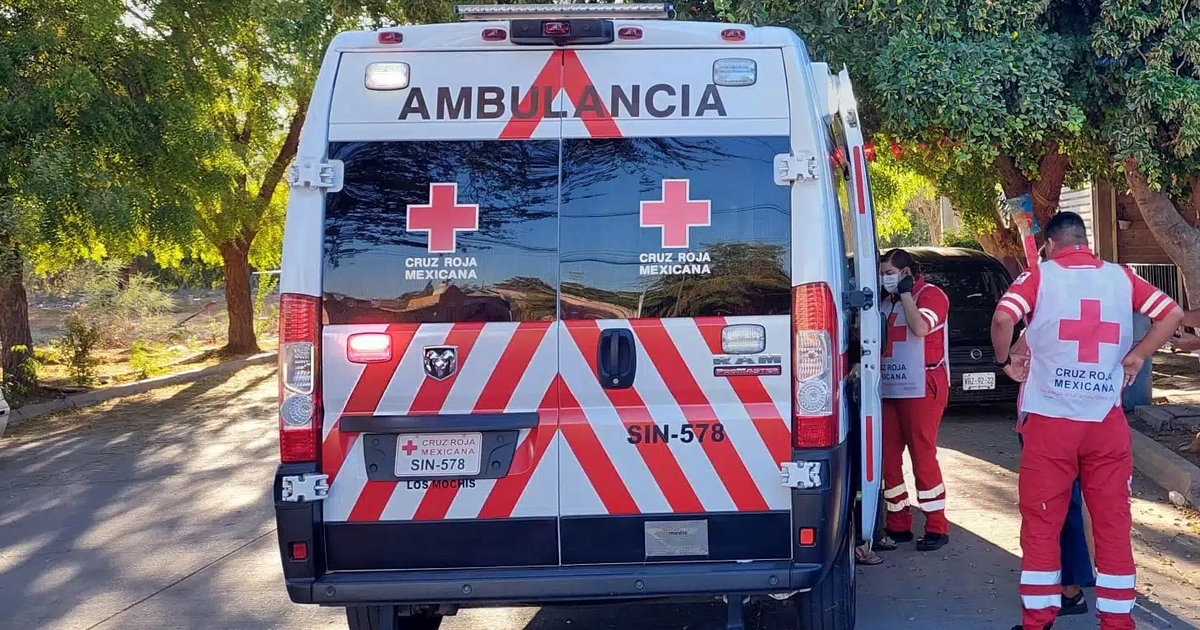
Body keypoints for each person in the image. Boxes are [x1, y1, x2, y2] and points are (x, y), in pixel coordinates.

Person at [992, 212, 1184, 630]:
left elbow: (1004, 318)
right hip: (1104, 420)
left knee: (1043, 521)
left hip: (1049, 421)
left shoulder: (1039, 277)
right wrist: (1138, 354)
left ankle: (1038, 620)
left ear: (1050, 245)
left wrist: (1006, 360)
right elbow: (1171, 313)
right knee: (1113, 522)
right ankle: (1117, 621)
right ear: (1084, 241)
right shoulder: (1121, 277)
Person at [1007, 245, 1093, 618]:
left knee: (1056, 508)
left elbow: (1015, 347)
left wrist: (1011, 355)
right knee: (1066, 506)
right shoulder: (1089, 300)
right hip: (1068, 417)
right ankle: (1069, 585)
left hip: (1051, 420)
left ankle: (1068, 589)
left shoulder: (1053, 307)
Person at [876, 248, 952, 552]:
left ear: (906, 273)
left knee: (922, 454)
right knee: (887, 456)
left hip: (924, 384)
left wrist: (907, 296)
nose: (885, 279)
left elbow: (920, 327)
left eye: (890, 273)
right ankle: (898, 523)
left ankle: (936, 525)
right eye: (882, 273)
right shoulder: (882, 301)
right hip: (889, 386)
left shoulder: (932, 296)